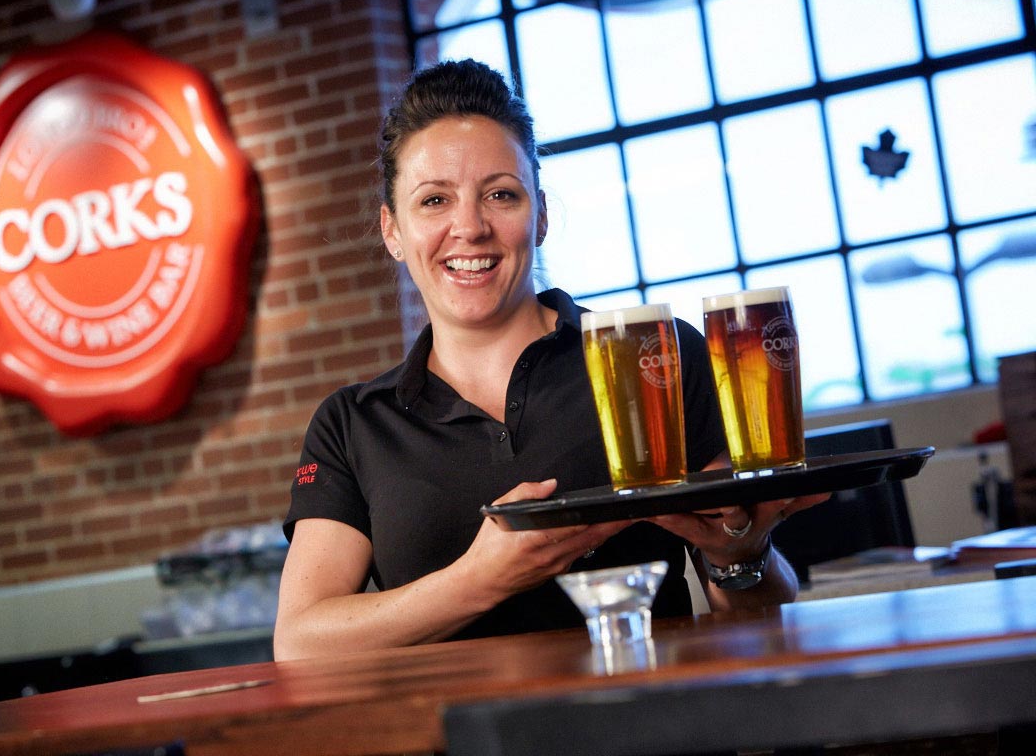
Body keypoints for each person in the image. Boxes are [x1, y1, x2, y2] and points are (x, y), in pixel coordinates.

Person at [273, 59, 824, 661]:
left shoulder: (653, 354)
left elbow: (758, 616)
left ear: (539, 215)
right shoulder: (353, 425)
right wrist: (479, 579)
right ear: (393, 231)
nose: (470, 227)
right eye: (434, 200)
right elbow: (301, 644)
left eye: (500, 195)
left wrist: (739, 557)